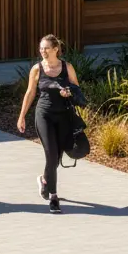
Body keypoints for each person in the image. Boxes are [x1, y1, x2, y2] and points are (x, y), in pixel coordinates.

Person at [17, 34, 80, 214]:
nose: (42, 51)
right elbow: (29, 93)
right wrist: (22, 116)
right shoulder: (37, 69)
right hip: (44, 114)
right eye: (41, 48)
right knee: (51, 154)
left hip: (64, 116)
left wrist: (69, 92)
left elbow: (77, 89)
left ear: (55, 49)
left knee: (56, 158)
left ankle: (45, 180)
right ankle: (53, 197)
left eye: (46, 48)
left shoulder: (67, 67)